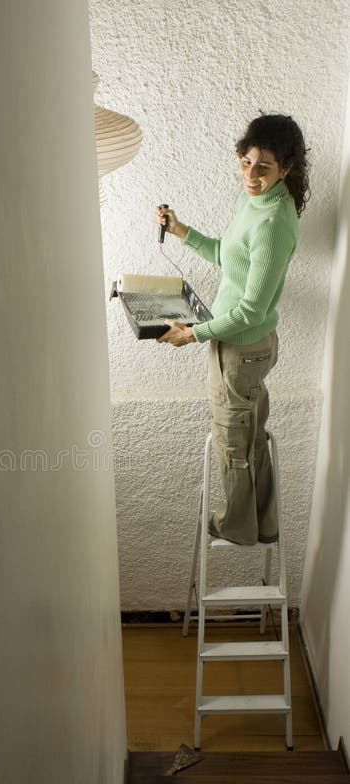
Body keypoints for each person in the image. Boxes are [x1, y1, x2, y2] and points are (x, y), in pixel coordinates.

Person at [154, 114, 309, 545]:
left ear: (287, 169)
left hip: (240, 347)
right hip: (237, 343)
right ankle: (264, 522)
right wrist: (181, 231)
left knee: (231, 443)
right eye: (245, 162)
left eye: (263, 167)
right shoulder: (253, 201)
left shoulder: (275, 221)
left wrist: (192, 334)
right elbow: (229, 255)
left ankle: (236, 526)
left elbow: (250, 309)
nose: (251, 175)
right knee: (249, 437)